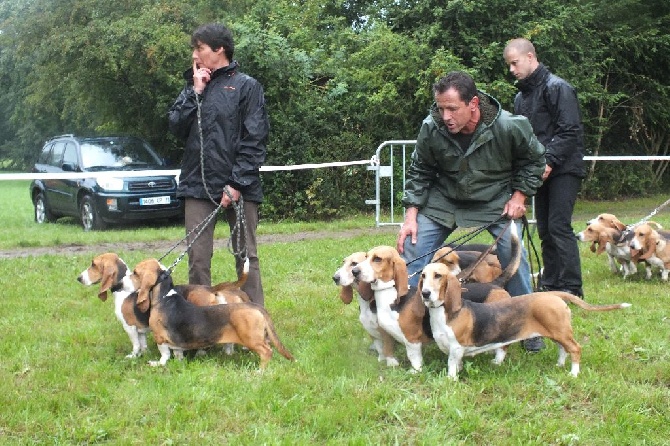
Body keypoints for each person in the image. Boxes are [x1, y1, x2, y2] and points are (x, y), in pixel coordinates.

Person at [397, 71, 545, 323]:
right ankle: (405, 321)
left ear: (473, 103)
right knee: (411, 251)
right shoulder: (431, 127)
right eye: (441, 108)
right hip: (443, 201)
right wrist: (411, 217)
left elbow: (535, 160)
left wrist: (519, 197)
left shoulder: (509, 125)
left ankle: (525, 322)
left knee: (514, 256)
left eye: (453, 109)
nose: (446, 117)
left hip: (493, 200)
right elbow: (419, 171)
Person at [168, 23, 270, 306]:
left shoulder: (246, 86)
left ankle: (254, 319)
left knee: (245, 256)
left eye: (199, 48)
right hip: (197, 185)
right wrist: (195, 90)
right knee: (198, 259)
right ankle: (200, 327)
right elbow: (175, 126)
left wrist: (237, 183)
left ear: (219, 49)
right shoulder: (193, 86)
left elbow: (255, 138)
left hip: (240, 185)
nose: (195, 55)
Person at [503, 38, 586, 301]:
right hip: (539, 170)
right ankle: (550, 284)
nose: (512, 70)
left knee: (559, 226)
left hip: (564, 168)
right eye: (509, 65)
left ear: (530, 57)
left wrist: (548, 162)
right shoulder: (520, 97)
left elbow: (570, 130)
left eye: (514, 63)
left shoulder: (558, 87)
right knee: (545, 229)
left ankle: (572, 287)